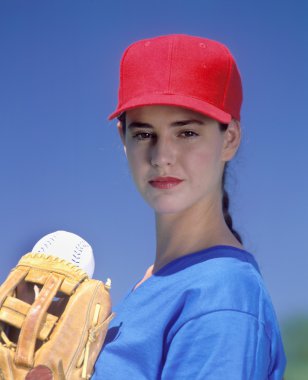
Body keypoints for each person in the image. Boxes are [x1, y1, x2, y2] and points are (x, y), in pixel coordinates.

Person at [92, 34, 286, 379]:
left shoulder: (220, 297)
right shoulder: (157, 284)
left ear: (230, 139)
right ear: (123, 141)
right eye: (144, 134)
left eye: (187, 133)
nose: (162, 157)